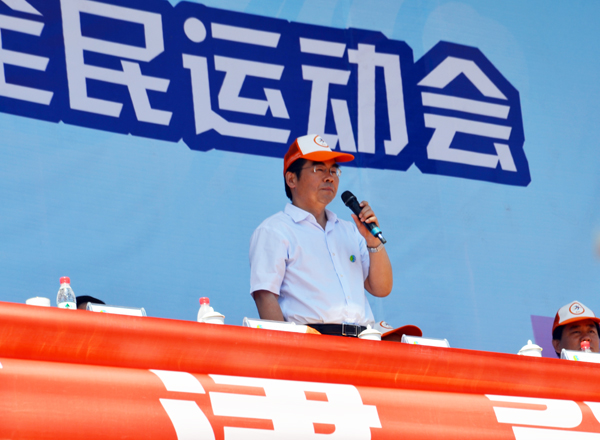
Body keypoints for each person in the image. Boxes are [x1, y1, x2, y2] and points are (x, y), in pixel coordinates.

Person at [249, 134, 393, 337]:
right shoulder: (275, 230)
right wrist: (286, 347)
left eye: (334, 170)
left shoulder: (351, 230)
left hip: (363, 339)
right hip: (312, 340)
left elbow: (381, 289)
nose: (329, 177)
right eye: (319, 169)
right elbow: (265, 296)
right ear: (291, 179)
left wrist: (372, 241)